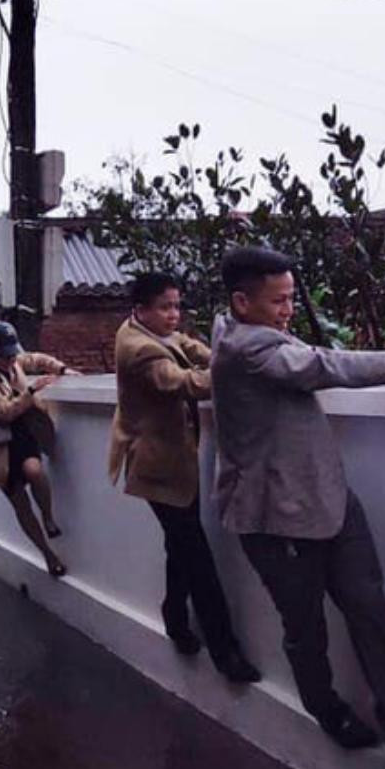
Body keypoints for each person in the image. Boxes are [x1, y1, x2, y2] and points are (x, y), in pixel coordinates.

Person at [210, 246, 385, 769]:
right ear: (241, 302)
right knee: (306, 630)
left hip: (331, 501)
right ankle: (328, 710)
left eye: (292, 297)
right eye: (279, 300)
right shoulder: (246, 347)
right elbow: (323, 365)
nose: (289, 309)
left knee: (374, 615)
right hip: (275, 518)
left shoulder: (253, 333)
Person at [109, 272, 259, 686]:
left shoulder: (152, 330)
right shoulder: (139, 348)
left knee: (182, 541)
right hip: (158, 466)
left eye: (177, 306)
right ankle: (225, 651)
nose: (174, 314)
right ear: (142, 310)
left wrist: (228, 355)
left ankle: (175, 616)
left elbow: (190, 347)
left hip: (172, 461)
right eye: (165, 307)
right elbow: (180, 382)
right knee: (197, 554)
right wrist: (237, 373)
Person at [0, 321, 73, 577]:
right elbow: (4, 412)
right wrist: (31, 390)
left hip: (23, 434)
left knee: (34, 470)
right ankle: (48, 554)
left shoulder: (15, 362)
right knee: (21, 505)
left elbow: (35, 359)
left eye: (13, 354)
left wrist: (62, 369)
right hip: (0, 444)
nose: (12, 359)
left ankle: (48, 517)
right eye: (6, 355)